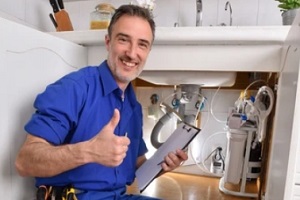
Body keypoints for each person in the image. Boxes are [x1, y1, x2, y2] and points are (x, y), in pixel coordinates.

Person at [15, 4, 188, 200]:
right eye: (124, 40)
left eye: (142, 44)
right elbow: (25, 161)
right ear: (108, 42)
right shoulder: (74, 88)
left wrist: (163, 165)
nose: (132, 53)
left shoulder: (133, 105)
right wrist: (88, 151)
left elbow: (136, 168)